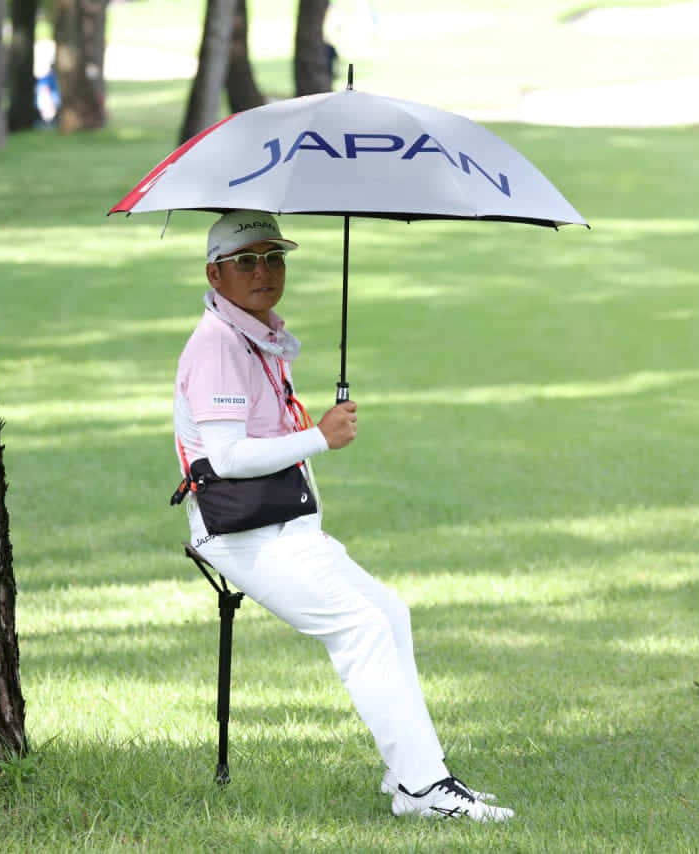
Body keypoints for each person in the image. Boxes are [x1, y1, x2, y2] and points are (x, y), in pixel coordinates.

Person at [171, 210, 513, 822]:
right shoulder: (219, 345)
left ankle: (412, 776)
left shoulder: (256, 335)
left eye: (274, 257)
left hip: (284, 525)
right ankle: (424, 790)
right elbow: (224, 458)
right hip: (241, 532)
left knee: (389, 613)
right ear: (214, 274)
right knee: (361, 626)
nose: (264, 271)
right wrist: (319, 439)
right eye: (246, 260)